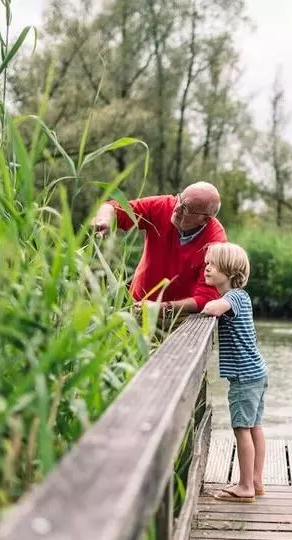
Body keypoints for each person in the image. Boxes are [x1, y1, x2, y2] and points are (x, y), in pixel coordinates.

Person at [91, 181, 227, 315]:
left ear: (205, 220)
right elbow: (116, 208)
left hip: (180, 319)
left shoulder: (216, 242)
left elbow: (206, 298)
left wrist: (161, 307)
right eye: (179, 199)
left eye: (187, 208)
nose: (177, 209)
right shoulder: (165, 205)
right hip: (137, 307)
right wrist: (103, 219)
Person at [200, 242, 268, 503]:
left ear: (228, 272)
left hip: (243, 377)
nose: (206, 267)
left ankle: (245, 486)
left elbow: (212, 308)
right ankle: (256, 481)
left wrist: (208, 306)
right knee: (254, 427)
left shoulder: (233, 297)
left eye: (212, 265)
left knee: (242, 429)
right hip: (256, 373)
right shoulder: (242, 296)